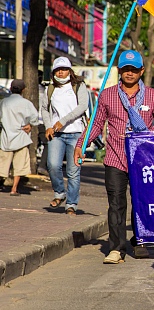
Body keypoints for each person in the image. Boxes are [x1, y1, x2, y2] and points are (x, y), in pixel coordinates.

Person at [74, 50, 154, 264]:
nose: (129, 73)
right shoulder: (107, 95)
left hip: (143, 159)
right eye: (126, 69)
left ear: (141, 71)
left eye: (134, 69)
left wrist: (146, 133)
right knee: (116, 203)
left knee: (141, 202)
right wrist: (82, 144)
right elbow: (97, 123)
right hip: (115, 158)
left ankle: (140, 240)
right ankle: (116, 248)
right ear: (119, 70)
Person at [42, 57, 89, 215]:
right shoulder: (50, 88)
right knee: (53, 165)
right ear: (54, 71)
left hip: (76, 133)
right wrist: (48, 126)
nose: (61, 72)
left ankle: (71, 204)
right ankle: (60, 193)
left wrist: (63, 121)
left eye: (64, 69)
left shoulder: (78, 86)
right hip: (57, 134)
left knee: (73, 171)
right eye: (58, 70)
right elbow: (44, 109)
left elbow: (82, 106)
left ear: (70, 70)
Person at [0, 79, 39, 196]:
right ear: (23, 90)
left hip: (5, 137)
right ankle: (14, 189)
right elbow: (35, 118)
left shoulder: (3, 102)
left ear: (11, 89)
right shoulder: (27, 104)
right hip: (21, 137)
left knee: (2, 163)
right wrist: (29, 125)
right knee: (19, 165)